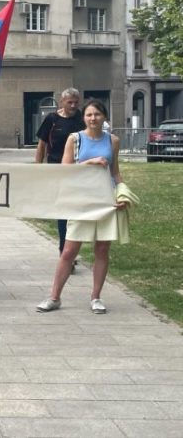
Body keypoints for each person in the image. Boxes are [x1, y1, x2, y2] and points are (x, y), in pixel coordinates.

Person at [37, 99, 128, 314]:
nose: (93, 118)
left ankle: (96, 297)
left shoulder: (112, 141)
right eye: (89, 115)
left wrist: (122, 193)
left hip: (105, 200)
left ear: (104, 117)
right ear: (83, 118)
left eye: (97, 114)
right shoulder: (75, 139)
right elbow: (65, 169)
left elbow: (115, 172)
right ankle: (54, 296)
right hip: (81, 200)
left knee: (102, 249)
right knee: (69, 250)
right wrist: (89, 162)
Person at [35, 88, 85, 270]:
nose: (73, 105)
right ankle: (65, 253)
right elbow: (42, 144)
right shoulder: (52, 119)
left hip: (78, 171)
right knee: (63, 213)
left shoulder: (81, 118)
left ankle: (69, 252)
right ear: (62, 102)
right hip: (57, 170)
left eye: (76, 102)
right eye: (69, 102)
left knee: (74, 213)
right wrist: (38, 168)